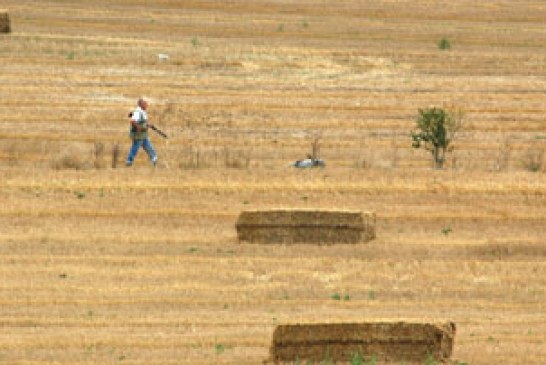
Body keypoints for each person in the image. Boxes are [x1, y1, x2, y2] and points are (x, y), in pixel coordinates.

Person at [126, 98, 158, 167]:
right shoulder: (138, 112)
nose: (147, 105)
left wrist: (148, 125)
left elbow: (142, 122)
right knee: (135, 149)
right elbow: (133, 121)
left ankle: (154, 159)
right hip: (138, 135)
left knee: (148, 147)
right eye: (145, 104)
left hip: (143, 135)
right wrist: (138, 128)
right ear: (141, 105)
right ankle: (129, 161)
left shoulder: (142, 111)